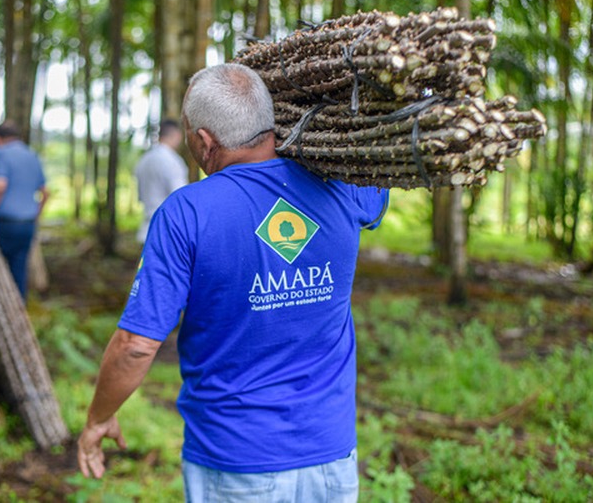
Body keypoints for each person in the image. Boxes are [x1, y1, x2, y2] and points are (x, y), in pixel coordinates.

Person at [77, 64, 388, 501]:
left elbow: (136, 344)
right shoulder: (342, 186)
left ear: (204, 142)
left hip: (236, 461)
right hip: (331, 457)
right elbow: (378, 178)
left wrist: (97, 419)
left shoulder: (186, 212)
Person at [0, 121, 48, 301]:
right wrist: (36, 214)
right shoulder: (32, 155)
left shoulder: (1, 154)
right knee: (19, 269)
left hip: (4, 224)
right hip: (27, 225)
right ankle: (19, 309)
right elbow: (45, 192)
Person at [133, 119, 188, 244]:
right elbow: (180, 199)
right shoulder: (173, 161)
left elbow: (141, 196)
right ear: (177, 135)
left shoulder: (144, 159)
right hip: (166, 235)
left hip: (146, 231)